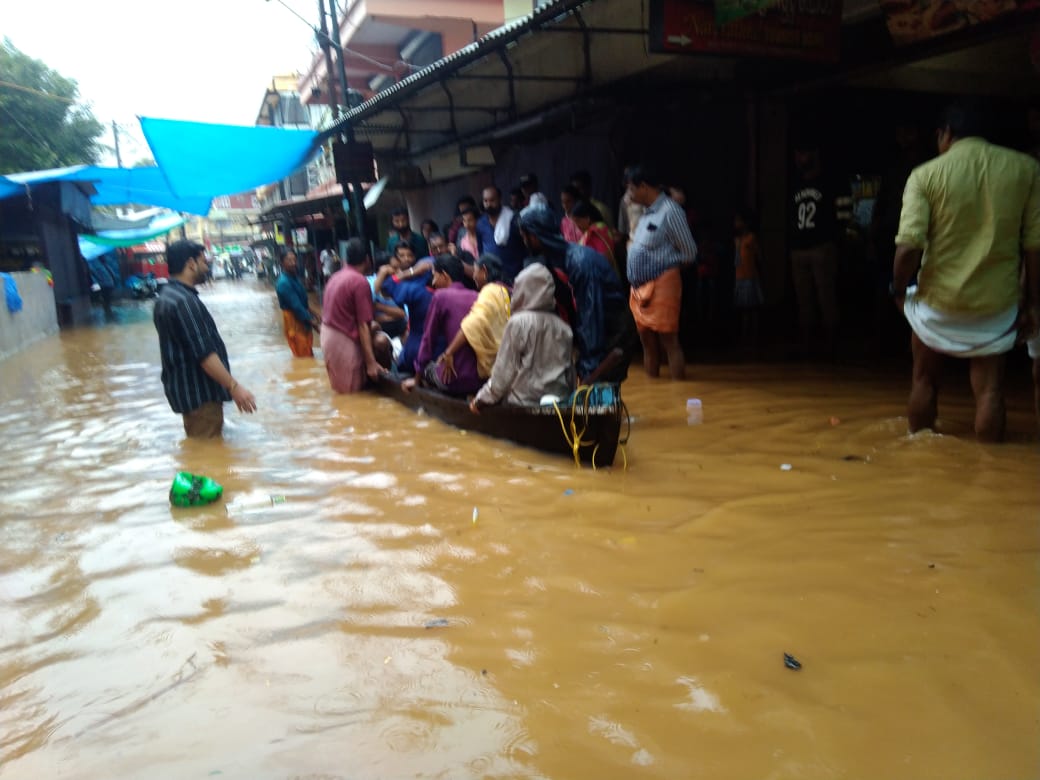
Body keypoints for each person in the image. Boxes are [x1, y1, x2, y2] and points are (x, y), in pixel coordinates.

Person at [893, 99, 1040, 442]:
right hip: (995, 310)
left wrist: (898, 291)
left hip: (937, 306)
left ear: (945, 134)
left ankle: (917, 454)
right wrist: (1032, 303)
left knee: (923, 380)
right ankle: (990, 462)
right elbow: (1035, 247)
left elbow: (908, 247)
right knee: (990, 392)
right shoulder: (1026, 170)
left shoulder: (925, 175)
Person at [517, 205, 636, 385]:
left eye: (524, 236)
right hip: (592, 326)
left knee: (601, 387)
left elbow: (591, 315)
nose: (523, 241)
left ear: (534, 235)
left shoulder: (580, 262)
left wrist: (589, 366)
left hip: (613, 327)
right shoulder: (552, 261)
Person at [153, 239, 257, 437]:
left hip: (187, 394)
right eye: (203, 261)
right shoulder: (185, 302)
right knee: (209, 454)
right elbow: (205, 355)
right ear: (191, 263)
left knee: (204, 452)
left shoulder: (167, 296)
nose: (207, 265)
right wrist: (235, 387)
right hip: (200, 396)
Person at [623, 163, 698, 380]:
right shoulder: (646, 214)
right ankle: (652, 386)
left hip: (663, 283)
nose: (629, 194)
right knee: (646, 341)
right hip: (640, 287)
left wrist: (662, 267)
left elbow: (690, 253)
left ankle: (678, 391)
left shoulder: (671, 211)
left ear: (644, 186)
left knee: (669, 341)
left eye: (631, 189)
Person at [470, 263, 575, 412]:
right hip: (559, 401)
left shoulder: (518, 323)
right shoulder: (563, 327)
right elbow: (570, 374)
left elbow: (503, 373)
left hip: (523, 402)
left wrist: (480, 399)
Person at [790, 138, 839, 359]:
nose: (799, 158)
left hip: (821, 246)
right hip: (799, 248)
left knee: (825, 296)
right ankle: (808, 346)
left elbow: (841, 215)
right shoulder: (795, 184)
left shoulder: (827, 183)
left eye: (803, 153)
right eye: (797, 154)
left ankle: (830, 346)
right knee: (804, 299)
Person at [321, 238, 387, 393]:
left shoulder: (335, 277)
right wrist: (371, 363)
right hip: (343, 339)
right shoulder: (359, 282)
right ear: (367, 260)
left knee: (341, 391)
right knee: (352, 394)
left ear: (345, 259)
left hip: (328, 336)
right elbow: (363, 325)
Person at [410, 253, 481, 395]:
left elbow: (428, 339)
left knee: (428, 368)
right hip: (480, 378)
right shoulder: (477, 296)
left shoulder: (441, 296)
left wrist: (416, 379)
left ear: (444, 275)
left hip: (454, 379)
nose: (434, 282)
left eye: (434, 276)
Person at [438, 253, 512, 382]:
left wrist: (449, 352)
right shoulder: (508, 290)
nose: (473, 276)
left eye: (475, 271)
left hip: (498, 367)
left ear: (484, 271)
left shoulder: (490, 291)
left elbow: (473, 323)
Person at [475, 185, 525, 283]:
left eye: (492, 200)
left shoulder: (513, 220)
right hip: (491, 279)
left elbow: (523, 247)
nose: (489, 204)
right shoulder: (481, 223)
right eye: (485, 201)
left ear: (500, 199)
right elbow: (481, 251)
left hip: (514, 276)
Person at [275, 250, 320, 357]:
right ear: (282, 263)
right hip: (294, 321)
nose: (293, 263)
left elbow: (302, 302)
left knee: (307, 350)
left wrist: (316, 314)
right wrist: (315, 325)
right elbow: (297, 307)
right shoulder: (284, 283)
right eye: (289, 260)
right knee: (303, 355)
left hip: (302, 318)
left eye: (294, 260)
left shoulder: (294, 278)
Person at [733, 206, 764, 356]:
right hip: (740, 277)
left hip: (750, 276)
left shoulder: (751, 238)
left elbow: (759, 255)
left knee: (752, 308)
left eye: (738, 221)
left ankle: (754, 336)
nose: (736, 223)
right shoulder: (737, 240)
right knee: (744, 308)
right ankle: (745, 336)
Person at [571, 200, 621, 276]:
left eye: (578, 221)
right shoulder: (602, 228)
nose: (577, 226)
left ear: (587, 219)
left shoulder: (595, 233)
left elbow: (605, 260)